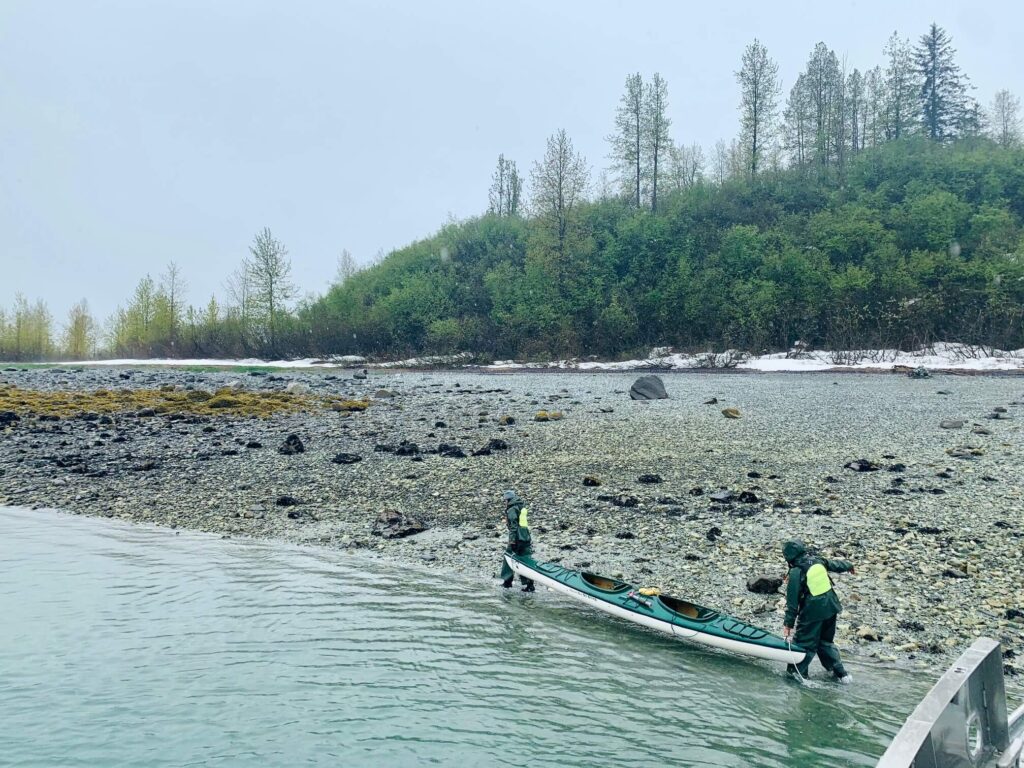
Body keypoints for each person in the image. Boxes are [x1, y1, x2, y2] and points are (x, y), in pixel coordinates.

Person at [781, 539, 855, 683]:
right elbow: (836, 564)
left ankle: (796, 676)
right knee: (825, 642)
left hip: (812, 612)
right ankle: (841, 674)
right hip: (831, 607)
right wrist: (849, 566)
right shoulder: (817, 560)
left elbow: (792, 602)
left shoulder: (796, 572)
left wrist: (788, 624)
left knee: (803, 644)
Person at [499, 490, 535, 592]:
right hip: (525, 537)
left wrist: (512, 541)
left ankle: (507, 582)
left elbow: (513, 527)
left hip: (517, 538)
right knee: (526, 560)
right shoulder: (521, 506)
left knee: (508, 557)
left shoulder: (512, 509)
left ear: (507, 499)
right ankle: (529, 585)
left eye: (505, 500)